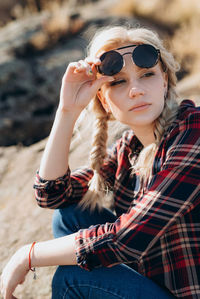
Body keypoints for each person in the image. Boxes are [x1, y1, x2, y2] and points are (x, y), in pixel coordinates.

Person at [1, 25, 200, 299]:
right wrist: (67, 109)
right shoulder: (129, 149)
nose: (136, 90)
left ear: (164, 81)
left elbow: (127, 239)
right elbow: (53, 194)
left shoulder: (194, 131)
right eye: (118, 82)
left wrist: (30, 254)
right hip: (159, 287)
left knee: (73, 277)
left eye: (147, 75)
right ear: (104, 100)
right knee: (71, 213)